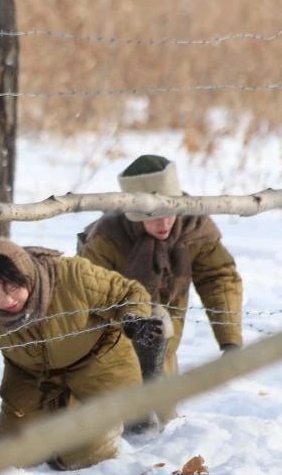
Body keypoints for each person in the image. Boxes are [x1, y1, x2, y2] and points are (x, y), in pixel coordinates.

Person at [0, 237, 168, 470]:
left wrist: (133, 316)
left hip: (98, 365)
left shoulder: (72, 275)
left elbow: (129, 292)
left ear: (26, 274)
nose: (7, 301)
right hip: (33, 377)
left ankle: (120, 421)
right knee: (8, 456)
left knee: (83, 455)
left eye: (12, 288)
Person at [77, 154, 244, 390]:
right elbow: (89, 292)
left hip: (168, 338)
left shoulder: (195, 228)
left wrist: (230, 341)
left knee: (161, 414)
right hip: (112, 340)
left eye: (169, 213)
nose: (164, 224)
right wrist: (130, 319)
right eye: (153, 217)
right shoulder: (107, 237)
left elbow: (219, 277)